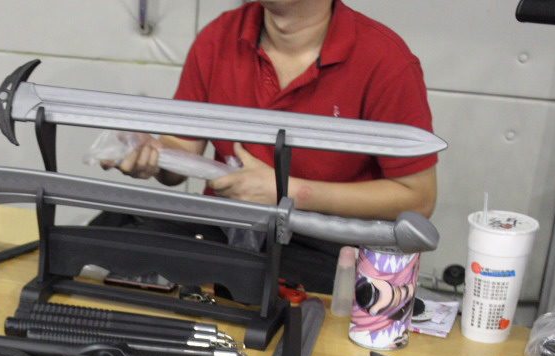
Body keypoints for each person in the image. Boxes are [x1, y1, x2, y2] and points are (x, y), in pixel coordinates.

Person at [108, 0, 438, 291]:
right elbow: (181, 155)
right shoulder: (219, 37)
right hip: (227, 234)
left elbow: (418, 198)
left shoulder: (385, 61)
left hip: (327, 249)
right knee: (116, 243)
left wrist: (290, 193)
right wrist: (153, 153)